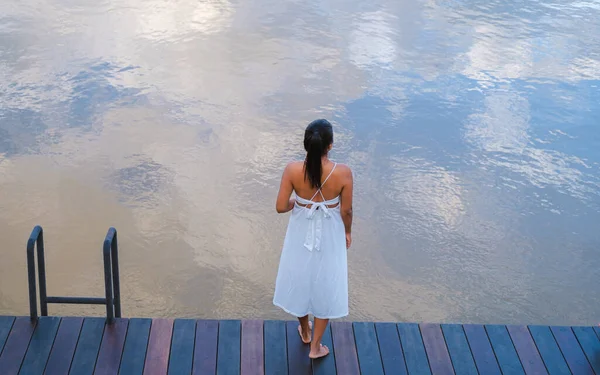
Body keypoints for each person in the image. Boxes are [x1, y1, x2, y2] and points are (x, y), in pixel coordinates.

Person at [273, 119, 354, 359]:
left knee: (300, 277)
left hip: (301, 230)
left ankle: (305, 332)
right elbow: (346, 211)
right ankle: (315, 347)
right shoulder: (343, 173)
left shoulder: (292, 170)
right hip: (330, 233)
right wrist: (347, 232)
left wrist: (300, 203)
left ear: (306, 144)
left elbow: (280, 207)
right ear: (330, 145)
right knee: (326, 282)